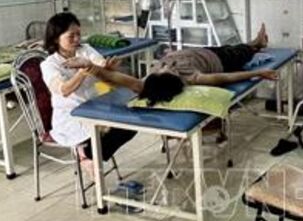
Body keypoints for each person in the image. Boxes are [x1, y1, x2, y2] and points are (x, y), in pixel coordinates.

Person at [40, 12, 137, 169]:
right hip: (71, 115)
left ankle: (87, 153)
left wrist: (106, 68)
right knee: (108, 128)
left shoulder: (85, 50)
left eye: (78, 34)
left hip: (96, 105)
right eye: (71, 36)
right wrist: (83, 71)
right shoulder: (49, 65)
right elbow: (64, 90)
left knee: (131, 123)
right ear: (56, 38)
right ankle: (89, 155)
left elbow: (98, 63)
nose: (77, 39)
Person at [92, 24, 278, 105]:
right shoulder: (193, 78)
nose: (167, 66)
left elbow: (117, 78)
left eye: (163, 68)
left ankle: (255, 44)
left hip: (199, 52)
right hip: (219, 60)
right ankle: (257, 44)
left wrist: (95, 69)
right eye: (169, 70)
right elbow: (226, 77)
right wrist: (258, 73)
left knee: (231, 47)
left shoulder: (149, 82)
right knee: (238, 52)